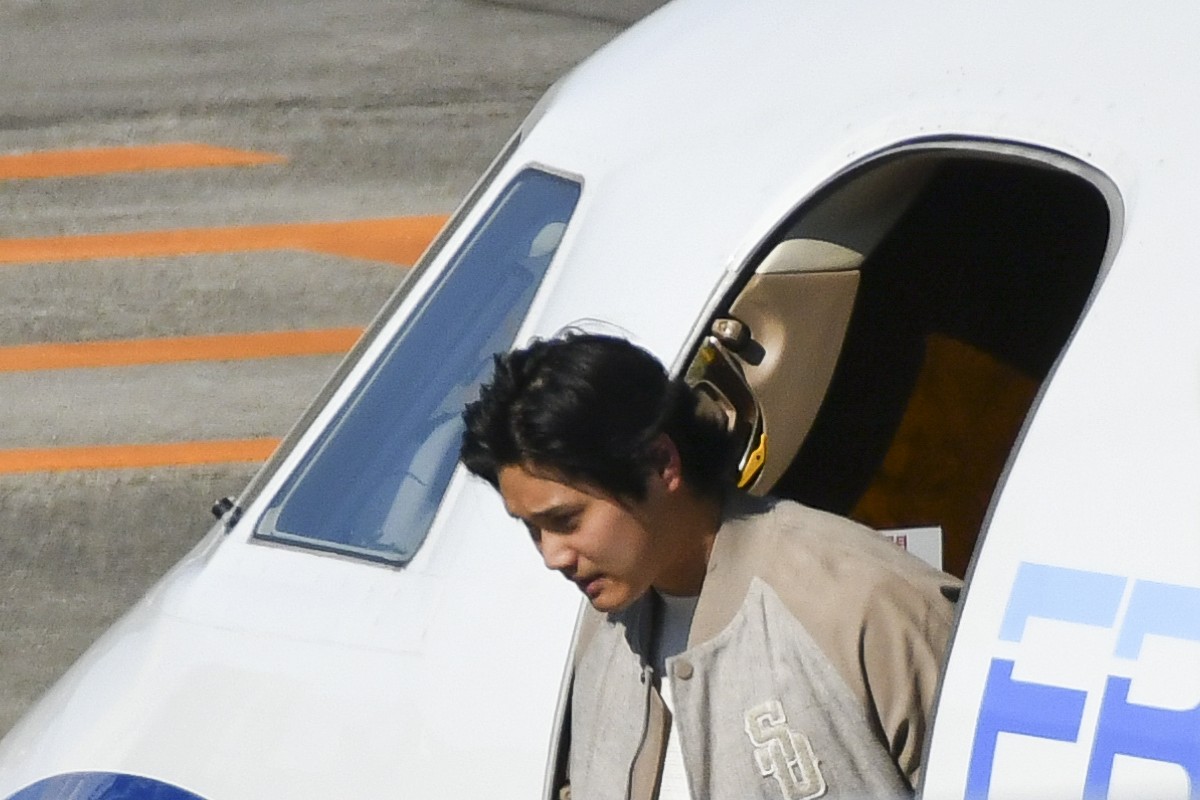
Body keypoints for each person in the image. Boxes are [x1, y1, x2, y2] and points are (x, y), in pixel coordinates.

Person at [460, 332, 960, 800]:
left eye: (566, 520)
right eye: (532, 529)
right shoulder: (606, 625)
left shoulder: (867, 604)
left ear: (661, 463)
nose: (552, 556)